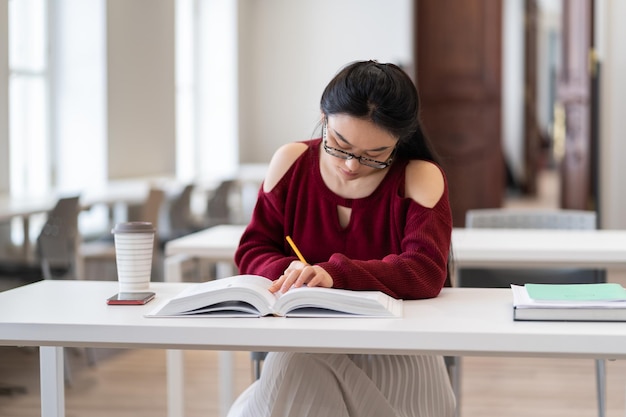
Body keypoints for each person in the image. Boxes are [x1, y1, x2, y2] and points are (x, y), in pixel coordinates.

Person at [232, 60, 455, 417]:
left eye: (374, 155)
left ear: (400, 139)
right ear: (323, 117)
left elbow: (425, 271)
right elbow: (253, 248)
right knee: (298, 361)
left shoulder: (418, 176)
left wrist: (333, 275)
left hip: (395, 357)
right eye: (340, 144)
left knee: (292, 369)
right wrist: (292, 271)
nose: (351, 165)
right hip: (304, 340)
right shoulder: (291, 162)